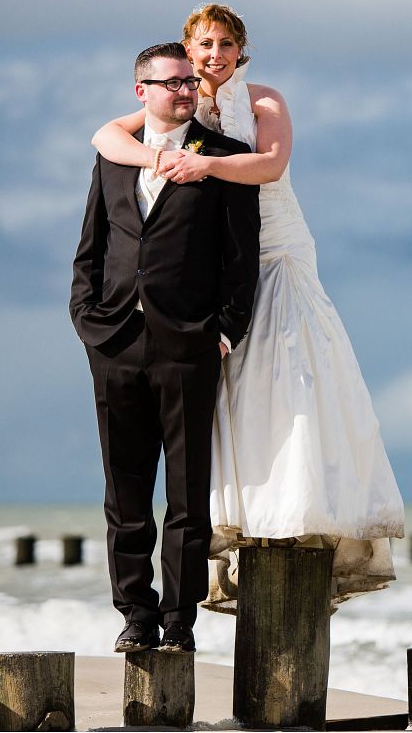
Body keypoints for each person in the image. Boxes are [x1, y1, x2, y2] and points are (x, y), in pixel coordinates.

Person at [92, 5, 404, 613]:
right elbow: (105, 138)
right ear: (187, 49)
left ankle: (291, 506)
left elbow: (271, 163)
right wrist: (157, 159)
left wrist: (203, 164)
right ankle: (238, 511)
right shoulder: (174, 103)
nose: (214, 55)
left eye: (226, 43)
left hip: (274, 249)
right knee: (225, 394)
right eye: (204, 44)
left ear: (242, 51)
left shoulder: (263, 101)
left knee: (287, 381)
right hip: (205, 268)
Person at [71, 42, 261, 652]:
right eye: (170, 82)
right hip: (116, 342)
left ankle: (179, 624)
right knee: (123, 494)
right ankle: (135, 615)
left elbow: (241, 254)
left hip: (189, 345)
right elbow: (93, 245)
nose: (183, 90)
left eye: (188, 82)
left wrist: (227, 326)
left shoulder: (225, 158)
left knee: (186, 497)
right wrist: (87, 320)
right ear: (141, 91)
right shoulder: (113, 158)